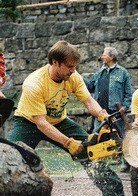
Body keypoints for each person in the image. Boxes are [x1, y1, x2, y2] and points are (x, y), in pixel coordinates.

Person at [7, 41, 125, 195]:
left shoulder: (73, 76)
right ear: (55, 62)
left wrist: (103, 115)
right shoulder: (34, 84)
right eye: (70, 67)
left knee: (90, 152)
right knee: (11, 156)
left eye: (75, 66)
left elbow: (88, 101)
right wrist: (68, 143)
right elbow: (41, 124)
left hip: (59, 121)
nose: (73, 71)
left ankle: (114, 192)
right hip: (28, 123)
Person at [84, 46, 132, 172]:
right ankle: (96, 163)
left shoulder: (123, 73)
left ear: (111, 57)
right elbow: (90, 86)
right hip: (100, 112)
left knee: (123, 137)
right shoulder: (100, 72)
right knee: (96, 136)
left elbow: (128, 93)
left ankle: (127, 163)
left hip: (116, 112)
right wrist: (77, 77)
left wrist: (124, 107)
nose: (102, 56)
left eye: (104, 54)